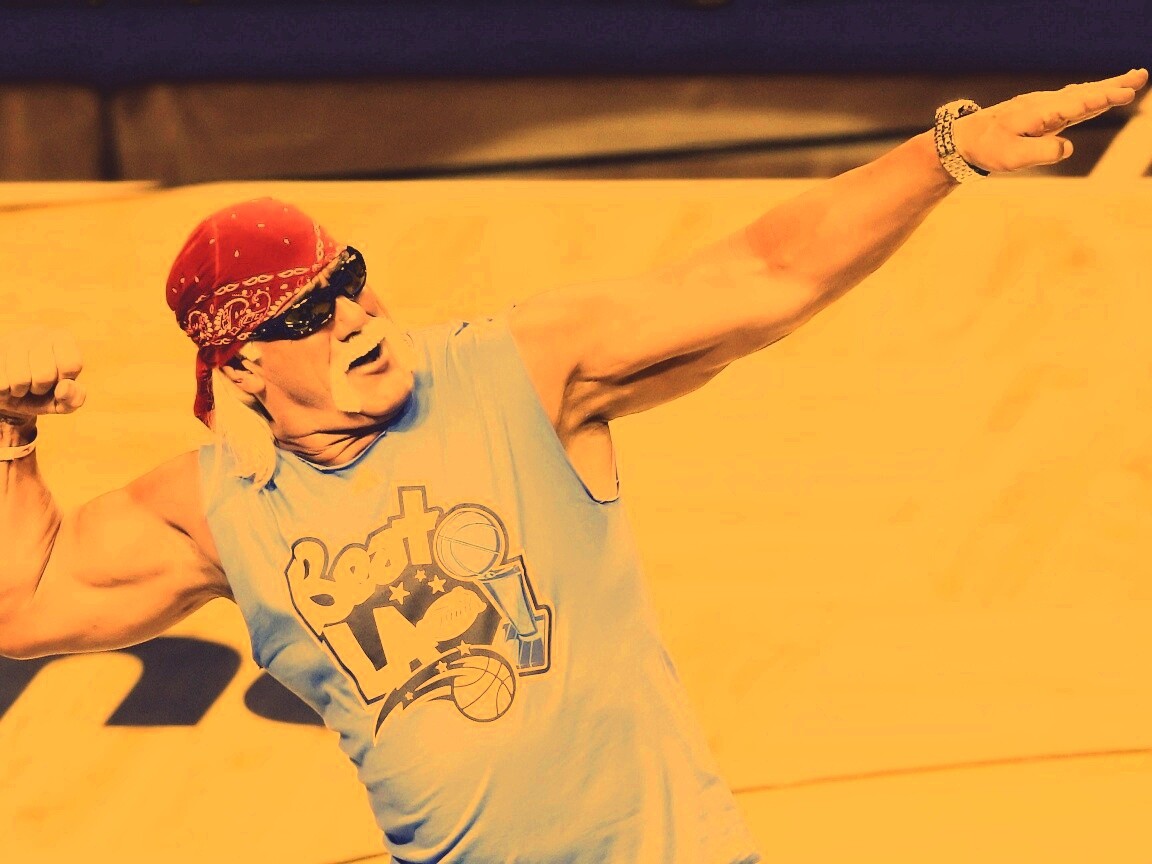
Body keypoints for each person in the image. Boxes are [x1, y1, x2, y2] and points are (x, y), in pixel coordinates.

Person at [0, 68, 1145, 864]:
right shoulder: (221, 509)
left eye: (347, 278)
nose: (352, 314)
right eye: (307, 311)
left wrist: (950, 152)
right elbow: (26, 603)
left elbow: (761, 274)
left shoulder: (514, 376)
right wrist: (8, 431)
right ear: (244, 364)